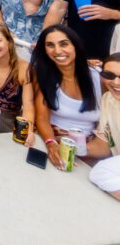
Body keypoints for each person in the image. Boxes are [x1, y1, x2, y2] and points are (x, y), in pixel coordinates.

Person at [31, 25, 101, 170]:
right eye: (50, 45)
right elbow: (42, 118)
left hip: (90, 148)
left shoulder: (97, 77)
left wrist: (87, 149)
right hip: (52, 138)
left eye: (64, 44)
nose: (57, 51)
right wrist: (51, 143)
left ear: (75, 45)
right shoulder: (42, 75)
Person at [87, 53, 120, 199]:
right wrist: (70, 145)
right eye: (109, 75)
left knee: (100, 172)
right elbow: (105, 145)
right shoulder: (108, 99)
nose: (116, 82)